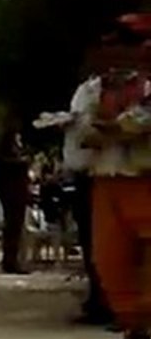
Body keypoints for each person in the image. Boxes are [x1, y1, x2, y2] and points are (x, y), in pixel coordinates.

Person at [77, 13, 151, 339]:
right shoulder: (93, 88)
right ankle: (134, 327)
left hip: (144, 177)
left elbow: (136, 124)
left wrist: (114, 128)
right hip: (107, 178)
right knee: (109, 258)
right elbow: (84, 131)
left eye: (124, 42)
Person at [63, 66, 115, 325]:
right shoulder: (87, 88)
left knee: (107, 240)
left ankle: (112, 302)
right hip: (85, 171)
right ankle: (98, 298)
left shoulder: (130, 88)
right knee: (90, 240)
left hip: (108, 171)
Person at [0, 126, 30, 274]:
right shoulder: (6, 156)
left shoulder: (7, 155)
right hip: (12, 194)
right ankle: (10, 261)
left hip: (15, 193)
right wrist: (23, 162)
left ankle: (12, 259)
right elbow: (12, 166)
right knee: (13, 228)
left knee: (14, 229)